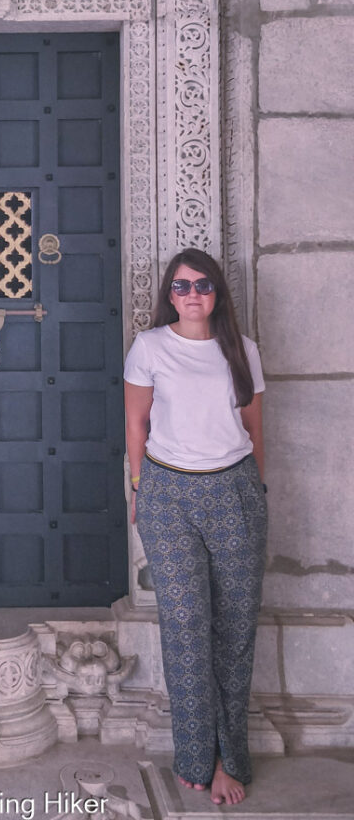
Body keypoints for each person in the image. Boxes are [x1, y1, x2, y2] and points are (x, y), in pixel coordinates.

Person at [123, 247, 267, 806]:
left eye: (202, 286)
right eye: (181, 287)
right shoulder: (150, 347)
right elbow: (137, 422)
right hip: (167, 493)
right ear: (169, 295)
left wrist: (259, 492)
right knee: (186, 625)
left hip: (235, 491)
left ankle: (233, 757)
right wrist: (138, 490)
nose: (191, 295)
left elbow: (255, 429)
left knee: (234, 630)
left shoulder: (242, 351)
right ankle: (197, 757)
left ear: (217, 294)